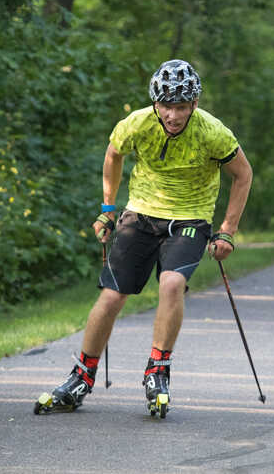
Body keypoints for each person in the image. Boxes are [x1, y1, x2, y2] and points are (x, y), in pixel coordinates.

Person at [43, 59, 252, 415]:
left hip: (190, 218)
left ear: (194, 105)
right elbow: (113, 154)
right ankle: (82, 375)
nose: (173, 116)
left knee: (171, 284)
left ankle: (158, 369)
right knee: (112, 297)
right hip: (140, 215)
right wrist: (108, 209)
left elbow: (243, 174)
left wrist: (228, 230)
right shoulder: (137, 123)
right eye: (166, 106)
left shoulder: (213, 133)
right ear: (156, 104)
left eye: (181, 107)